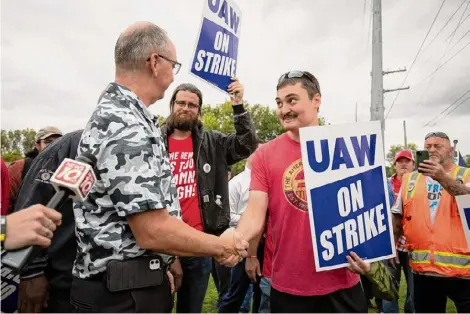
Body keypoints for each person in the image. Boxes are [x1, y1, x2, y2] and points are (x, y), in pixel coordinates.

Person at [70, 22, 247, 313]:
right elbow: (151, 230)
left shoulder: (124, 115)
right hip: (122, 296)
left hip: (128, 283)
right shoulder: (127, 124)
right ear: (155, 62)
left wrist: (162, 261)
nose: (171, 75)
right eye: (173, 65)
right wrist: (221, 246)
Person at [234, 71, 367, 312]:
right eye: (279, 103)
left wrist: (371, 256)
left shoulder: (347, 146)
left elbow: (366, 208)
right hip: (288, 285)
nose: (284, 110)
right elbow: (255, 213)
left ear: (316, 100)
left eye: (292, 100)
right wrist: (233, 242)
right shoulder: (265, 154)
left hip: (343, 281)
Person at [161, 81, 257, 313]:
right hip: (160, 243)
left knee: (191, 309)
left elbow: (247, 144)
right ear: (172, 106)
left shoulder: (213, 142)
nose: (186, 108)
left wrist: (238, 104)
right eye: (181, 103)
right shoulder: (154, 141)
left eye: (192, 105)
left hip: (198, 243)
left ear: (199, 111)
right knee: (157, 306)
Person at [392, 131, 470, 313]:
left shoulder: (466, 175)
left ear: (450, 151)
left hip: (463, 271)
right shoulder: (410, 179)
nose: (432, 150)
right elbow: (397, 215)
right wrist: (392, 245)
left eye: (438, 146)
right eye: (428, 147)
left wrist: (442, 177)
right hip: (423, 271)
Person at [13, 130, 83, 313]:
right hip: (61, 287)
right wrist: (31, 271)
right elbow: (30, 211)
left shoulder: (147, 147)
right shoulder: (69, 147)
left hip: (121, 290)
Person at [219, 145, 263, 313]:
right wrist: (252, 220)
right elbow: (227, 216)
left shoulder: (270, 180)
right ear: (249, 155)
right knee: (236, 293)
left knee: (261, 291)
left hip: (266, 245)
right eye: (257, 151)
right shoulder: (236, 184)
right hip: (242, 245)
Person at [382, 150, 415, 313]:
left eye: (407, 161)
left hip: (412, 245)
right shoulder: (385, 184)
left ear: (413, 165)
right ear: (394, 165)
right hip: (390, 244)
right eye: (399, 161)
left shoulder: (419, 184)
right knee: (389, 289)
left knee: (414, 290)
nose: (403, 164)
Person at [8, 127, 62, 213]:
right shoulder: (20, 166)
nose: (54, 145)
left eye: (58, 142)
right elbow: (7, 200)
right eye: (48, 142)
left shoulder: (64, 169)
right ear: (37, 146)